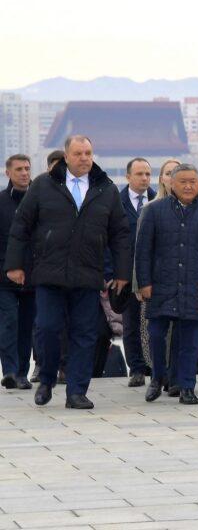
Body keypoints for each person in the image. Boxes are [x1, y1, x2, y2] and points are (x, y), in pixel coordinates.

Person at [5, 136, 131, 409]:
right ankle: (47, 379)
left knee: (85, 334)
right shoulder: (43, 185)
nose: (85, 158)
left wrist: (122, 272)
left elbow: (120, 233)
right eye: (78, 153)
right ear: (66, 155)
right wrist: (14, 265)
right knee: (48, 329)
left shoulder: (105, 188)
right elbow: (21, 227)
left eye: (88, 152)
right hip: (49, 273)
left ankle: (76, 391)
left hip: (88, 274)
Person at [135, 164, 198, 405]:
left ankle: (187, 386)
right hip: (161, 285)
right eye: (182, 181)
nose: (188, 186)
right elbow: (143, 251)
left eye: (192, 182)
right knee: (156, 335)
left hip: (194, 286)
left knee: (190, 341)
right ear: (171, 184)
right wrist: (144, 283)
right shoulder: (155, 211)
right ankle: (157, 377)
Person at [119, 157, 157, 387]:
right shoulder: (116, 201)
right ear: (128, 176)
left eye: (147, 174)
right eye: (139, 174)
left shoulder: (159, 200)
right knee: (131, 322)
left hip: (154, 273)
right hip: (126, 274)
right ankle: (136, 368)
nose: (144, 178)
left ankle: (155, 365)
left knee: (153, 322)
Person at [0, 155, 36, 390]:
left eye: (27, 169)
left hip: (34, 276)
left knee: (27, 326)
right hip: (4, 277)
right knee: (8, 323)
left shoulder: (39, 201)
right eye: (19, 169)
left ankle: (22, 372)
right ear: (8, 173)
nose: (24, 173)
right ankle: (10, 371)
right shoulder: (1, 202)